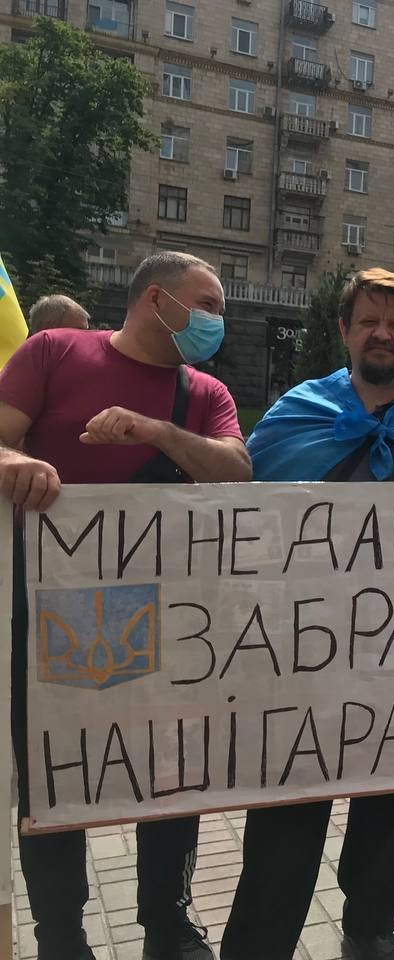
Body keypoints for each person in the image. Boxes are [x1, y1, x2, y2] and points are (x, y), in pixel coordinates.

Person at [219, 269, 394, 960]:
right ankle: (259, 945)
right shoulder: (298, 411)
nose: (382, 334)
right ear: (344, 331)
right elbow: (238, 515)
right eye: (369, 321)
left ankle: (370, 928)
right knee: (286, 810)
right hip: (297, 659)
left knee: (391, 806)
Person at [0, 251, 250, 960]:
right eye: (208, 305)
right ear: (156, 301)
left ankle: (166, 924)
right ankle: (61, 936)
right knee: (55, 772)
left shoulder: (204, 392)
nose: (217, 321)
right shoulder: (54, 351)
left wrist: (157, 431)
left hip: (171, 615)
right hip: (53, 610)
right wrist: (14, 462)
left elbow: (237, 469)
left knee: (172, 769)